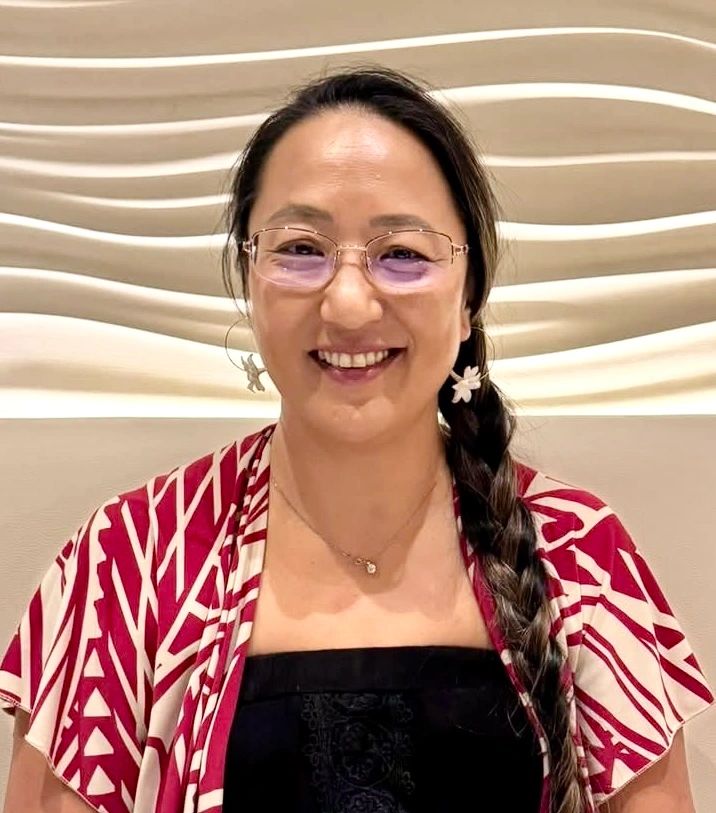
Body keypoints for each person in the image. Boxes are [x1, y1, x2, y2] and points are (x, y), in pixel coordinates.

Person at [1, 67, 713, 813]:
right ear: (251, 281)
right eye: (300, 248)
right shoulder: (129, 562)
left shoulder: (579, 555)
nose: (346, 302)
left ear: (468, 299)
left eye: (401, 253)